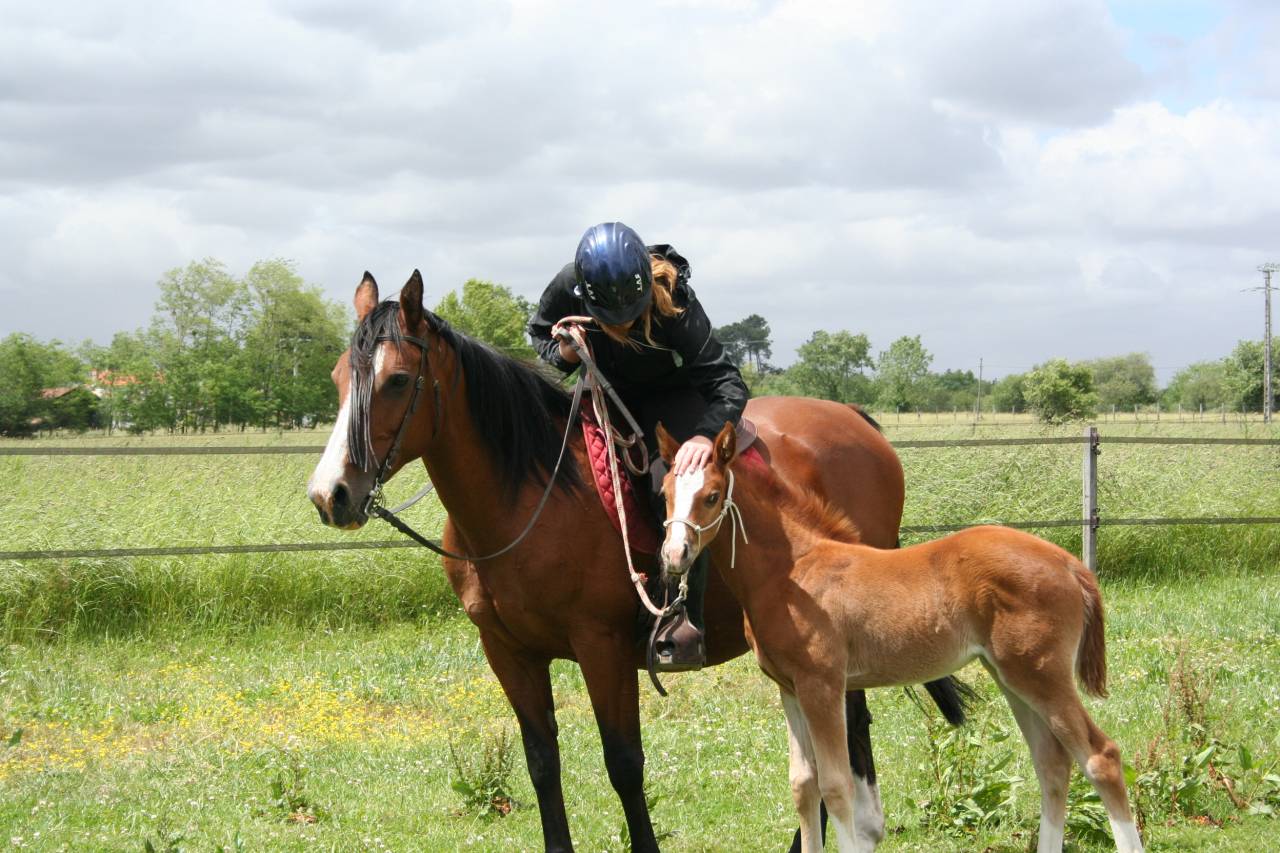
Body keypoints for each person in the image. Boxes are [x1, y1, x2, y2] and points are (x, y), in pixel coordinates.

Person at [528, 222, 749, 670]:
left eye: (629, 313)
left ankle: (682, 621)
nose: (621, 324)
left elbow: (727, 382)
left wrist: (703, 436)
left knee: (666, 486)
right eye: (609, 317)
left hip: (672, 397)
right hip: (604, 393)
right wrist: (566, 352)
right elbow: (540, 338)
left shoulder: (676, 298)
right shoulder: (569, 284)